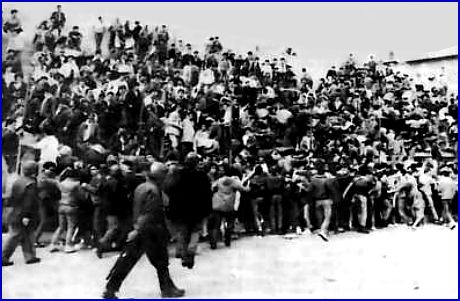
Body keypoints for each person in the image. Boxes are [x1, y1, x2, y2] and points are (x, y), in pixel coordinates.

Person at [102, 162, 185, 299]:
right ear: (160, 176)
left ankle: (111, 288)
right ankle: (167, 289)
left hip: (141, 228)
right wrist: (139, 230)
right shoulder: (153, 191)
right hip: (150, 230)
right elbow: (150, 213)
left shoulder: (141, 187)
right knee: (161, 262)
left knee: (128, 260)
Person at [163, 152, 212, 268]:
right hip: (197, 210)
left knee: (182, 232)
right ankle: (191, 250)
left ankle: (184, 254)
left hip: (180, 209)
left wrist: (171, 208)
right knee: (196, 231)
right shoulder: (202, 176)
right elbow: (207, 194)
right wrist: (207, 210)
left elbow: (169, 190)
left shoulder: (178, 175)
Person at [2, 161, 41, 266]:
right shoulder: (31, 184)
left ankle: (30, 257)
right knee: (15, 235)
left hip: (15, 211)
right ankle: (3, 257)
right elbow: (28, 201)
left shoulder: (18, 181)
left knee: (26, 235)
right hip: (23, 213)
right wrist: (26, 215)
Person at [35, 161, 61, 248]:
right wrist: (55, 181)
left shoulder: (48, 176)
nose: (52, 171)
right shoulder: (42, 177)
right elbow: (44, 182)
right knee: (43, 220)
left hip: (48, 200)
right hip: (43, 201)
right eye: (50, 169)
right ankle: (35, 239)